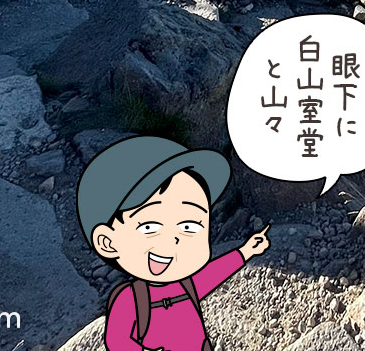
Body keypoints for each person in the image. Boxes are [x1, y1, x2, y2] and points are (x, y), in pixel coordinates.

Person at [76, 135, 271, 351]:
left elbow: (213, 273)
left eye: (189, 226)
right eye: (149, 227)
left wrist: (245, 251)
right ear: (108, 242)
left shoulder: (187, 284)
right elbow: (118, 341)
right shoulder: (129, 299)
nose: (173, 239)